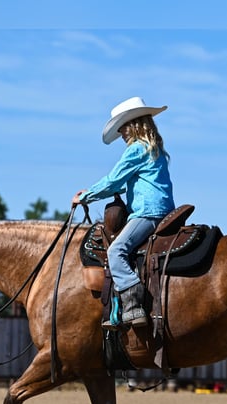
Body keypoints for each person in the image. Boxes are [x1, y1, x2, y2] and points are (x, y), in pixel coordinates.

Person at [72, 96, 175, 329]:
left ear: (136, 124)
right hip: (162, 210)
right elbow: (119, 184)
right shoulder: (153, 149)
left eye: (124, 126)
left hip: (147, 213)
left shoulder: (137, 149)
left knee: (116, 251)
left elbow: (113, 180)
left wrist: (85, 196)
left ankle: (133, 304)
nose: (122, 132)